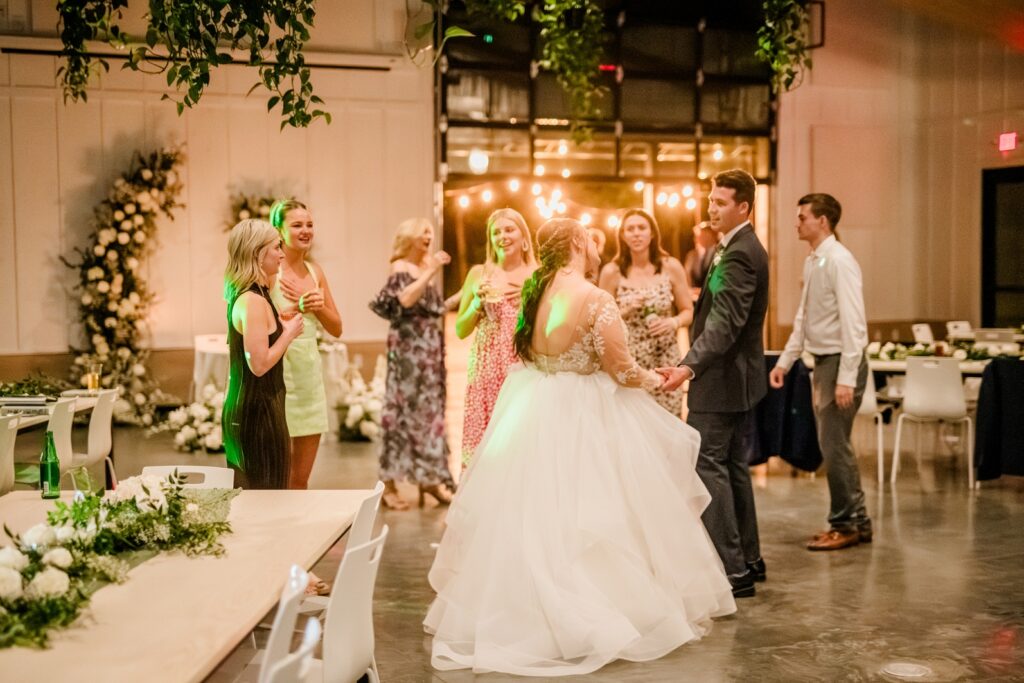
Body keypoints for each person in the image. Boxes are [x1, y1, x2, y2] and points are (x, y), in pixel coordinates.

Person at [426, 218, 735, 677]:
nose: (594, 244)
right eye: (588, 237)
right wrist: (659, 378)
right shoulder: (594, 297)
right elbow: (622, 369)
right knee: (593, 512)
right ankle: (591, 613)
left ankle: (532, 611)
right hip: (583, 413)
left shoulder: (535, 290)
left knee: (538, 515)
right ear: (575, 243)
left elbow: (527, 353)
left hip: (537, 404)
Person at [659, 169, 769, 599]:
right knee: (732, 469)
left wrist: (688, 367)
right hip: (734, 380)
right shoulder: (736, 246)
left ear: (743, 207)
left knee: (707, 467)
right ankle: (750, 560)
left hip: (722, 380)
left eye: (721, 202)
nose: (711, 208)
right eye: (711, 200)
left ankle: (732, 570)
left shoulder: (740, 253)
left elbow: (725, 323)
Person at [769, 193, 870, 551]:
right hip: (825, 362)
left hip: (840, 362)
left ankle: (845, 525)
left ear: (822, 221)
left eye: (802, 217)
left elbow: (854, 323)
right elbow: (805, 317)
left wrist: (846, 377)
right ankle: (859, 521)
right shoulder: (815, 260)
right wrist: (785, 360)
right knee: (835, 446)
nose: (797, 223)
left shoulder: (840, 260)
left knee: (834, 447)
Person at [369, 218, 456, 510]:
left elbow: (434, 308)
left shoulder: (424, 269)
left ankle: (429, 478)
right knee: (401, 411)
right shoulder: (401, 267)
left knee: (430, 413)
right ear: (410, 238)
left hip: (429, 350)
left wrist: (467, 295)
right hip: (408, 351)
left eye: (430, 232)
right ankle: (388, 484)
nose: (429, 237)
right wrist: (432, 270)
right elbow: (406, 300)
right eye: (423, 233)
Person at [221, 219, 303, 489]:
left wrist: (281, 327)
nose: (282, 254)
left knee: (271, 492)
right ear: (257, 254)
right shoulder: (252, 300)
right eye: (276, 247)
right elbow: (258, 364)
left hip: (264, 407)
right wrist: (289, 333)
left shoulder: (258, 295)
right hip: (256, 413)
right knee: (264, 497)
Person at [269, 199, 343, 489]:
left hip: (308, 379)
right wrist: (295, 307)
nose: (306, 230)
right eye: (297, 225)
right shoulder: (269, 271)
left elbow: (336, 327)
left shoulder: (315, 272)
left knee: (300, 481)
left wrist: (316, 303)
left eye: (309, 225)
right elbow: (256, 323)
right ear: (279, 230)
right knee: (277, 478)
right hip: (279, 377)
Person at [455, 208, 536, 465]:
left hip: (524, 366)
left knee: (521, 439)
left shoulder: (538, 275)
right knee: (486, 443)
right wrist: (476, 304)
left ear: (524, 237)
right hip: (486, 369)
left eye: (509, 230)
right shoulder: (479, 274)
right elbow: (460, 330)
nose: (503, 236)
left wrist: (531, 295)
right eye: (496, 232)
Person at [599, 209, 693, 416]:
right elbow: (600, 321)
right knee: (633, 423)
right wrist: (625, 310)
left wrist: (673, 322)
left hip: (665, 360)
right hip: (630, 361)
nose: (636, 233)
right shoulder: (611, 272)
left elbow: (688, 311)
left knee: (668, 421)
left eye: (641, 228)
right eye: (630, 229)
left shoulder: (670, 266)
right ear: (622, 235)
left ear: (652, 233)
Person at [684, 221, 720, 290]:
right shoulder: (696, 255)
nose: (698, 238)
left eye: (701, 235)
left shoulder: (719, 253)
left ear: (709, 235)